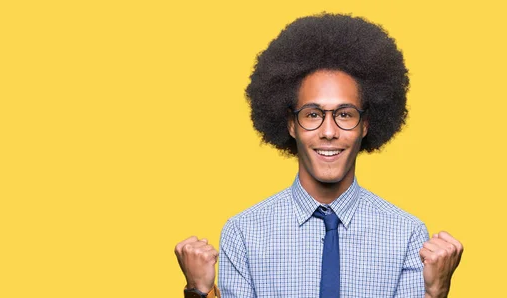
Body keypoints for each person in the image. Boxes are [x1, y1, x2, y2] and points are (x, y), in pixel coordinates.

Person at [175, 13, 463, 298]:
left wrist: (436, 294)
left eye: (344, 114)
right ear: (290, 123)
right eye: (312, 114)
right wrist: (198, 292)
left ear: (365, 124)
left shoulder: (407, 235)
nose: (328, 131)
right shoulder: (244, 234)